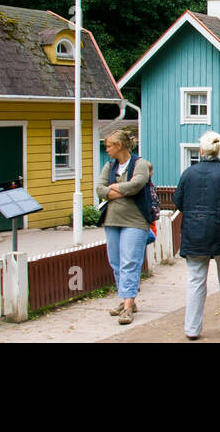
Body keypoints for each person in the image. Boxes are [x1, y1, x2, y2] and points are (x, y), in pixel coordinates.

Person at [174, 131, 220, 340]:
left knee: (196, 280)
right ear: (219, 151)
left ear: (201, 150)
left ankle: (192, 329)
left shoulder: (188, 173)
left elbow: (178, 201)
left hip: (195, 232)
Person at [94, 129, 153, 326]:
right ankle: (126, 298)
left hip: (135, 220)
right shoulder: (109, 166)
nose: (107, 150)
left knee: (130, 262)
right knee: (116, 261)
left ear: (119, 146)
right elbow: (100, 189)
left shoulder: (140, 164)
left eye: (109, 146)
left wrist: (113, 189)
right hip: (112, 220)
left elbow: (137, 184)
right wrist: (119, 190)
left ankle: (128, 305)